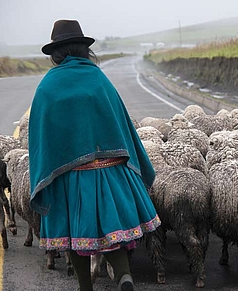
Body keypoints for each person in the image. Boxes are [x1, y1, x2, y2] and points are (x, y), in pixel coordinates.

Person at [28, 19, 161, 291]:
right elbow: (121, 123)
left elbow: (40, 137)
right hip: (111, 170)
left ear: (56, 53)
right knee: (112, 229)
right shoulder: (98, 78)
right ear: (83, 49)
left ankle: (85, 286)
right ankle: (124, 274)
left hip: (70, 175)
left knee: (75, 234)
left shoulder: (47, 87)